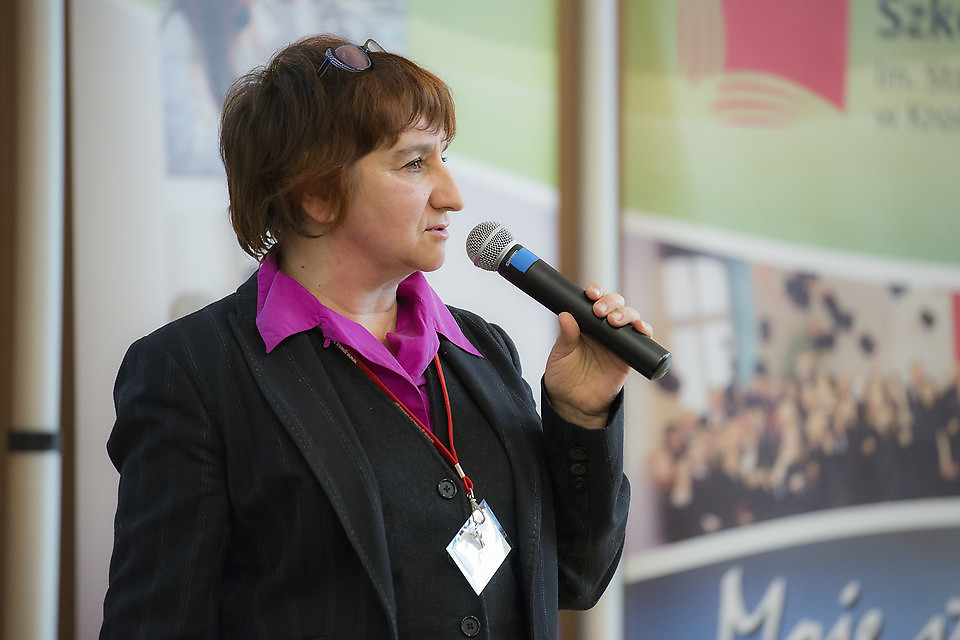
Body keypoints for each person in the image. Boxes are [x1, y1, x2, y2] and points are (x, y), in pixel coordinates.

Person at [100, 34, 651, 640]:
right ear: (315, 193)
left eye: (444, 156)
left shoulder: (483, 349)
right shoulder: (192, 372)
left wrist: (582, 413)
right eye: (415, 163)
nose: (453, 196)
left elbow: (574, 578)